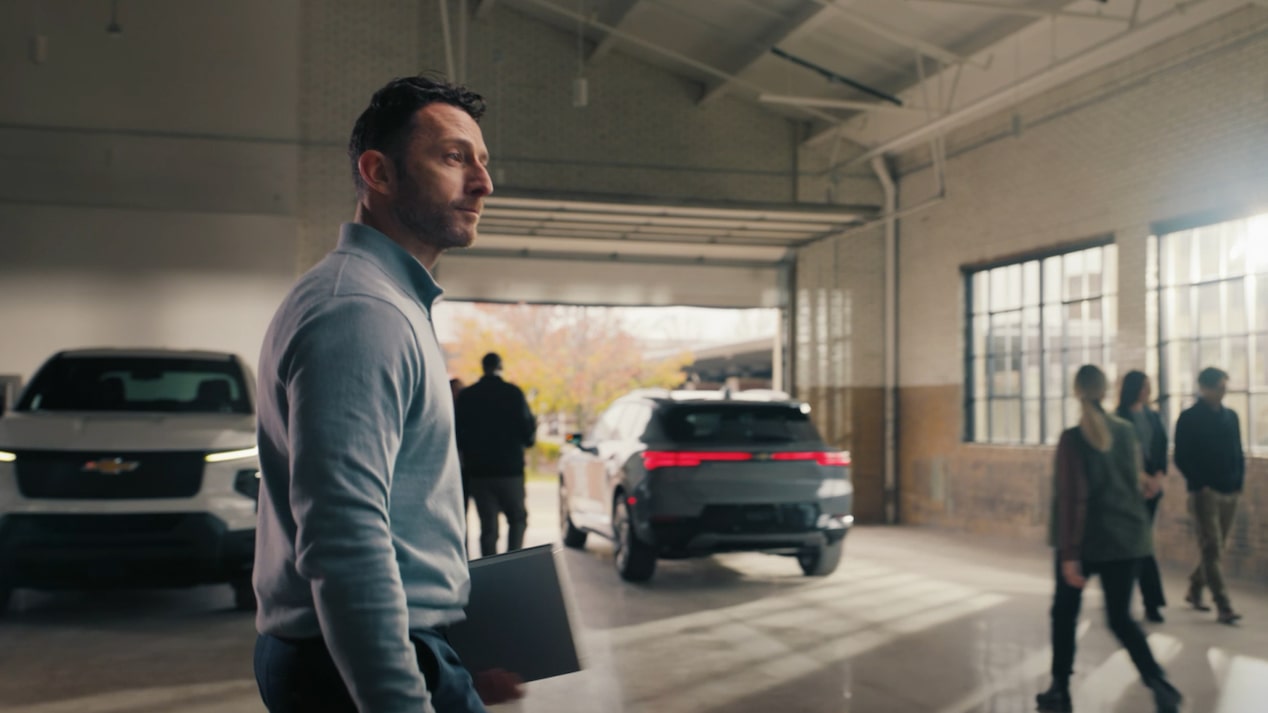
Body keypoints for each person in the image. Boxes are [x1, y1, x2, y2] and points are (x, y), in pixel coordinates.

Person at [251, 75, 523, 713]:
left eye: (482, 162)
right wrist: (401, 695)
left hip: (381, 649)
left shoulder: (380, 301)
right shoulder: (360, 313)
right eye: (455, 158)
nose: (483, 183)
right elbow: (345, 538)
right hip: (353, 665)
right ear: (379, 173)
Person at [1036, 365, 1182, 713]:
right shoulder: (1125, 431)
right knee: (1120, 618)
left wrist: (1070, 554)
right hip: (1128, 538)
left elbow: (1072, 498)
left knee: (1064, 613)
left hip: (1086, 541)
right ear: (1104, 391)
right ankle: (1160, 683)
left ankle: (1059, 689)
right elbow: (1137, 483)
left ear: (1076, 391)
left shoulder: (1073, 438)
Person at [1174, 366, 1245, 625]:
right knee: (1212, 547)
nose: (1223, 391)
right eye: (1219, 386)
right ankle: (1223, 605)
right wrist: (1200, 484)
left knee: (1215, 548)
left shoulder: (1232, 417)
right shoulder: (1189, 418)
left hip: (1230, 491)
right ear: (1205, 388)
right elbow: (1181, 457)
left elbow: (1238, 452)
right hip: (1206, 493)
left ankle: (1195, 587)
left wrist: (1239, 483)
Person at [455, 352, 536, 557]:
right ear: (500, 367)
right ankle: (513, 560)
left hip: (479, 473)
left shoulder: (468, 396)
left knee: (488, 527)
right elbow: (528, 435)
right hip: (510, 471)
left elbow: (458, 434)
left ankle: (490, 568)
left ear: (483, 367)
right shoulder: (513, 394)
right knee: (517, 519)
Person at [1115, 370, 1168, 623]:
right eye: (1143, 386)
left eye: (1149, 386)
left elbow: (1160, 448)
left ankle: (1147, 602)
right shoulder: (1118, 418)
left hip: (1152, 490)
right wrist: (1140, 479)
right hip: (1130, 492)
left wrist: (1156, 477)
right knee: (1138, 547)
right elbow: (1119, 457)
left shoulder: (1154, 416)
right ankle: (1148, 602)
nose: (1147, 391)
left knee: (1142, 546)